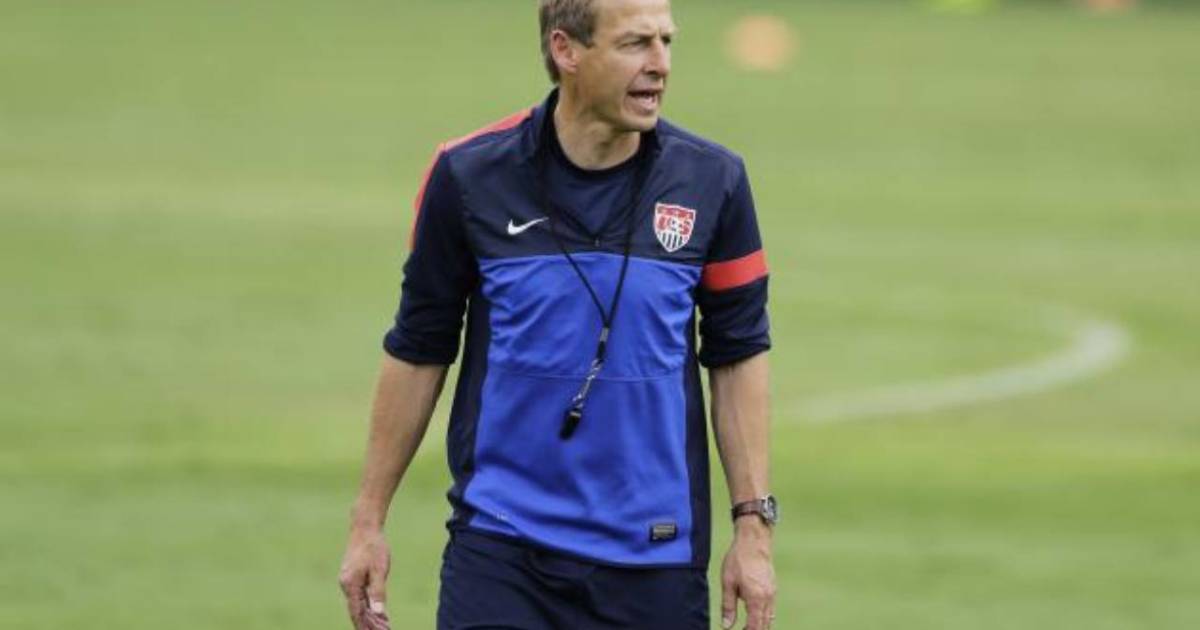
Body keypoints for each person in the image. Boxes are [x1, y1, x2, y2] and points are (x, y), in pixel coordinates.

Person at [338, 1, 776, 628]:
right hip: (501, 550)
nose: (660, 64)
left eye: (666, 41)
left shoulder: (714, 181)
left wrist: (753, 530)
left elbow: (737, 357)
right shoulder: (468, 176)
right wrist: (368, 522)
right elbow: (419, 349)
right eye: (635, 44)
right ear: (566, 50)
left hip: (655, 558)